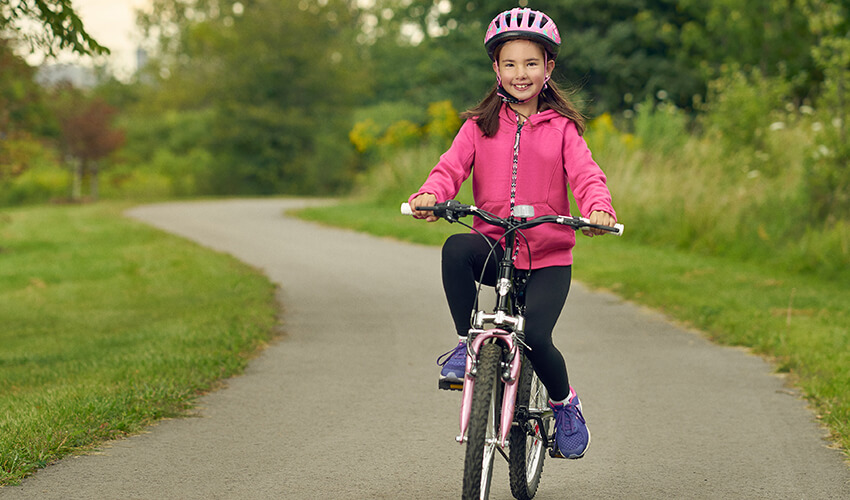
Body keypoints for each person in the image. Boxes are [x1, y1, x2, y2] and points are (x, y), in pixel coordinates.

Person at [407, 7, 617, 460]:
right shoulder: (477, 127)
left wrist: (597, 209)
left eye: (530, 63)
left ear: (548, 68)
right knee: (454, 249)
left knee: (538, 339)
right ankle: (469, 343)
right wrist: (430, 194)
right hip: (493, 244)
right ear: (496, 69)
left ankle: (564, 405)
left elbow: (586, 176)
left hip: (548, 256)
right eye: (510, 64)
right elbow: (449, 170)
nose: (520, 74)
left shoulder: (562, 129)